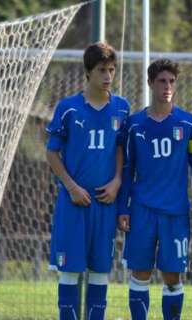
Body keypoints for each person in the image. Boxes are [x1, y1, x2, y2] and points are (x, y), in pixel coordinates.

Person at [117, 59, 192, 320]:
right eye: (161, 81)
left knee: (172, 276)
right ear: (150, 83)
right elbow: (126, 168)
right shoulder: (135, 125)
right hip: (142, 210)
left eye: (171, 81)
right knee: (140, 272)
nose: (167, 86)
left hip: (175, 213)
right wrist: (123, 207)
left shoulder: (188, 123)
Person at [45, 42, 130, 320]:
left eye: (112, 70)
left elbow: (120, 147)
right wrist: (71, 187)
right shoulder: (68, 108)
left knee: (100, 273)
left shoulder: (121, 108)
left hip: (105, 204)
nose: (108, 76)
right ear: (88, 73)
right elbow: (52, 152)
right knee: (69, 272)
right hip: (73, 203)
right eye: (102, 71)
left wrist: (117, 180)